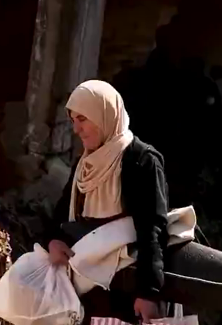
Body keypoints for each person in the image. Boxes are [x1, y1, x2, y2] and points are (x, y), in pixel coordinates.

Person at [41, 80, 169, 325]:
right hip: (88, 286)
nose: (77, 129)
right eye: (73, 121)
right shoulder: (85, 164)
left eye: (83, 119)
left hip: (128, 286)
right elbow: (60, 215)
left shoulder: (140, 160)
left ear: (103, 115)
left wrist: (147, 293)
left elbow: (152, 230)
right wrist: (53, 241)